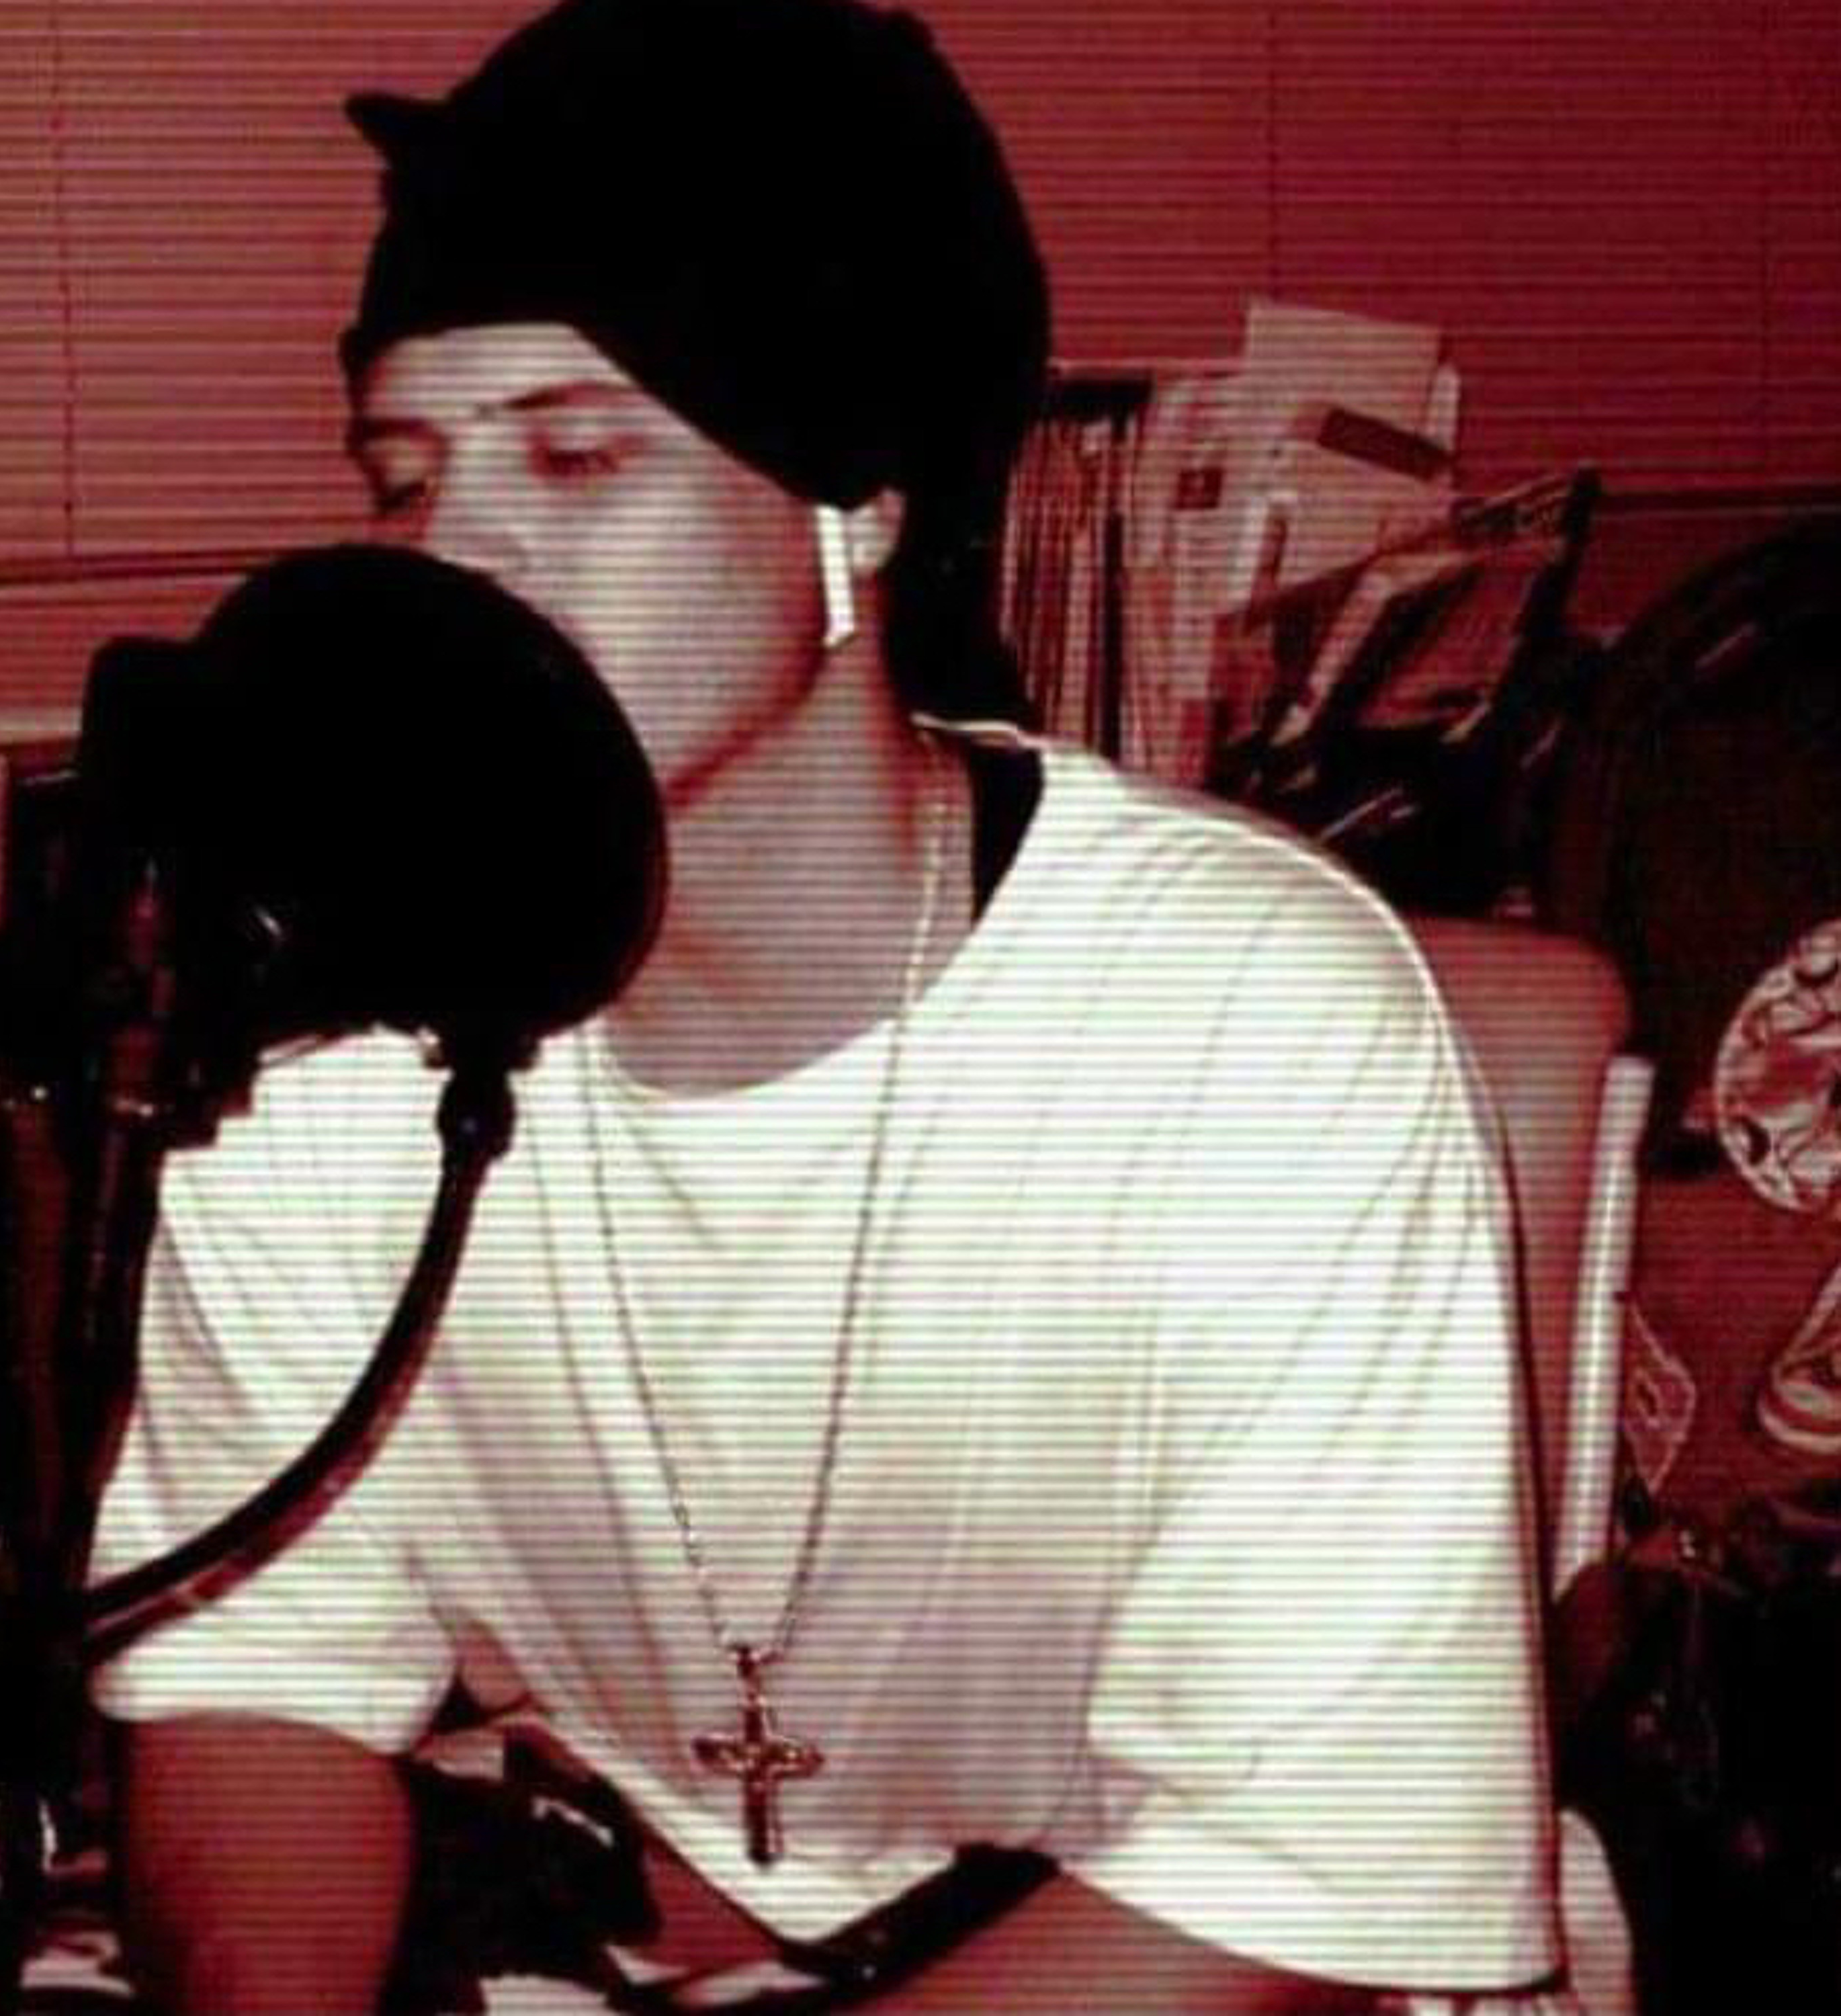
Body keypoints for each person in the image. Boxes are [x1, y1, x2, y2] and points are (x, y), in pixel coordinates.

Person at [88, 1, 1560, 2009]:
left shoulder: (1249, 1032)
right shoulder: (333, 1036)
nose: (460, 554)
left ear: (857, 501)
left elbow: (1302, 1870)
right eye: (407, 479)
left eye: (580, 456)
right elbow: (259, 1678)